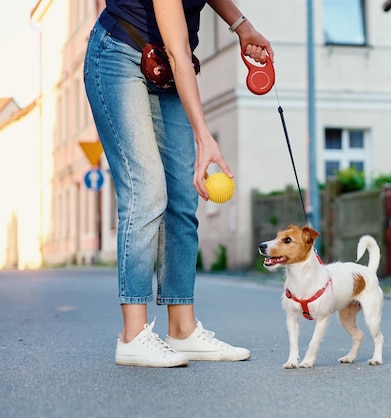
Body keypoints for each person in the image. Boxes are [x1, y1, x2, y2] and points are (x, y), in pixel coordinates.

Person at [84, 0, 274, 367]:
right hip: (118, 57)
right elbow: (178, 49)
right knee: (146, 190)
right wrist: (205, 137)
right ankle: (133, 335)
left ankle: (182, 330)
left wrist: (241, 25)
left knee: (184, 197)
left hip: (165, 67)